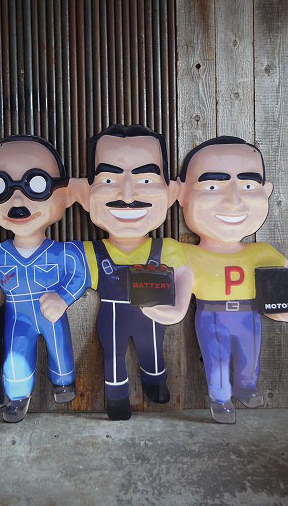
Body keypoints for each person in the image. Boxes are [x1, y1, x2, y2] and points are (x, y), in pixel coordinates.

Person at [0, 135, 89, 423]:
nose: (17, 201)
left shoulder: (63, 252)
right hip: (17, 315)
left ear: (66, 195)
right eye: (0, 187)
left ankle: (64, 382)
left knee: (60, 349)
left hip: (52, 312)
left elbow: (80, 274)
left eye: (37, 185)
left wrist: (63, 298)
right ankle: (18, 395)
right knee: (15, 354)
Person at [73, 124, 193, 421]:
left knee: (152, 350)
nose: (127, 195)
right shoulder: (90, 252)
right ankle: (116, 399)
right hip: (111, 316)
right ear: (84, 194)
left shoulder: (167, 248)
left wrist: (179, 307)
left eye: (146, 179)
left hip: (153, 316)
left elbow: (184, 275)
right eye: (108, 179)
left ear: (172, 192)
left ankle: (155, 381)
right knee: (113, 357)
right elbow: (72, 280)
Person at [176, 136, 288, 424]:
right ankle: (220, 399)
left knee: (249, 355)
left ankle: (246, 387)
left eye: (248, 186)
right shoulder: (186, 253)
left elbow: (286, 270)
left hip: (249, 315)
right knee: (216, 359)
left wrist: (287, 305)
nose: (233, 200)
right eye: (212, 186)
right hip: (211, 315)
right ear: (181, 194)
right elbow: (176, 280)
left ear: (266, 192)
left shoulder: (262, 252)